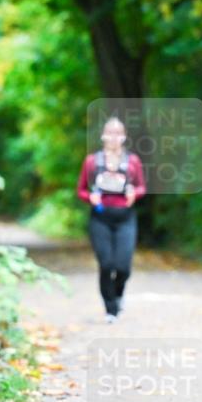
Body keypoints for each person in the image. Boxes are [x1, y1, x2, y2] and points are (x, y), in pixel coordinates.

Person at [76, 117, 146, 323]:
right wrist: (90, 197)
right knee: (106, 264)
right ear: (103, 135)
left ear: (124, 137)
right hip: (100, 218)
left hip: (125, 218)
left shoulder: (132, 161)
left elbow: (142, 187)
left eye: (118, 133)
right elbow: (81, 190)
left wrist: (135, 193)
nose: (114, 137)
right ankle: (110, 310)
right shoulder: (91, 161)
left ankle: (117, 293)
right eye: (110, 132)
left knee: (123, 266)